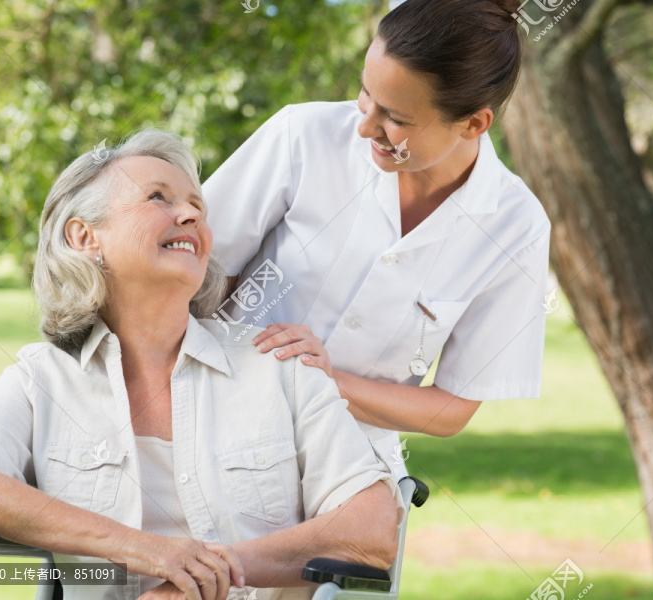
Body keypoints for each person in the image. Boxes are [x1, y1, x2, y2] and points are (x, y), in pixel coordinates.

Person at [0, 130, 401, 600]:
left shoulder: (280, 366)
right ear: (85, 236)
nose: (190, 213)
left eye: (198, 206)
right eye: (158, 198)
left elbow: (372, 526)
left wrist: (205, 575)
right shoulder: (42, 379)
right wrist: (147, 551)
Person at [201, 0, 549, 478]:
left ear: (473, 123)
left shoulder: (518, 228)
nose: (365, 126)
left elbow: (452, 407)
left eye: (396, 118)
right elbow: (194, 271)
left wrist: (323, 380)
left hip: (350, 473)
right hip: (212, 426)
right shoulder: (304, 135)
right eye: (366, 94)